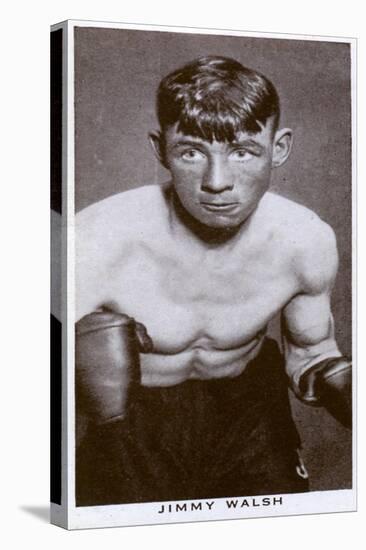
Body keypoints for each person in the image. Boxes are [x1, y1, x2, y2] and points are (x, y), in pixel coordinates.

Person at [75, 56, 352, 506]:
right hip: (131, 421)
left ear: (279, 148)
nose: (217, 182)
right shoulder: (97, 240)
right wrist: (71, 363)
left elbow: (312, 354)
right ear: (160, 148)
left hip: (247, 407)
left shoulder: (305, 241)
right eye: (190, 152)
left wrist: (341, 384)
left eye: (243, 152)